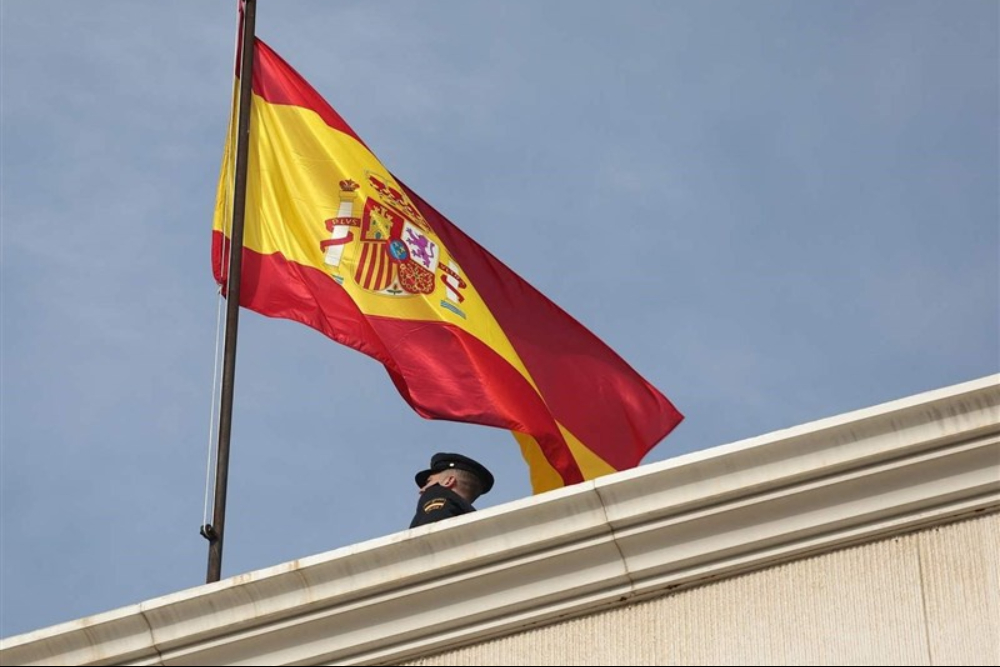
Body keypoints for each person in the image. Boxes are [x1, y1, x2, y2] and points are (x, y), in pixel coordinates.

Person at [409, 452, 494, 528]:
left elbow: (432, 532)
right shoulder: (479, 525)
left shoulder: (436, 493)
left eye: (429, 481)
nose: (421, 490)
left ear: (448, 481)